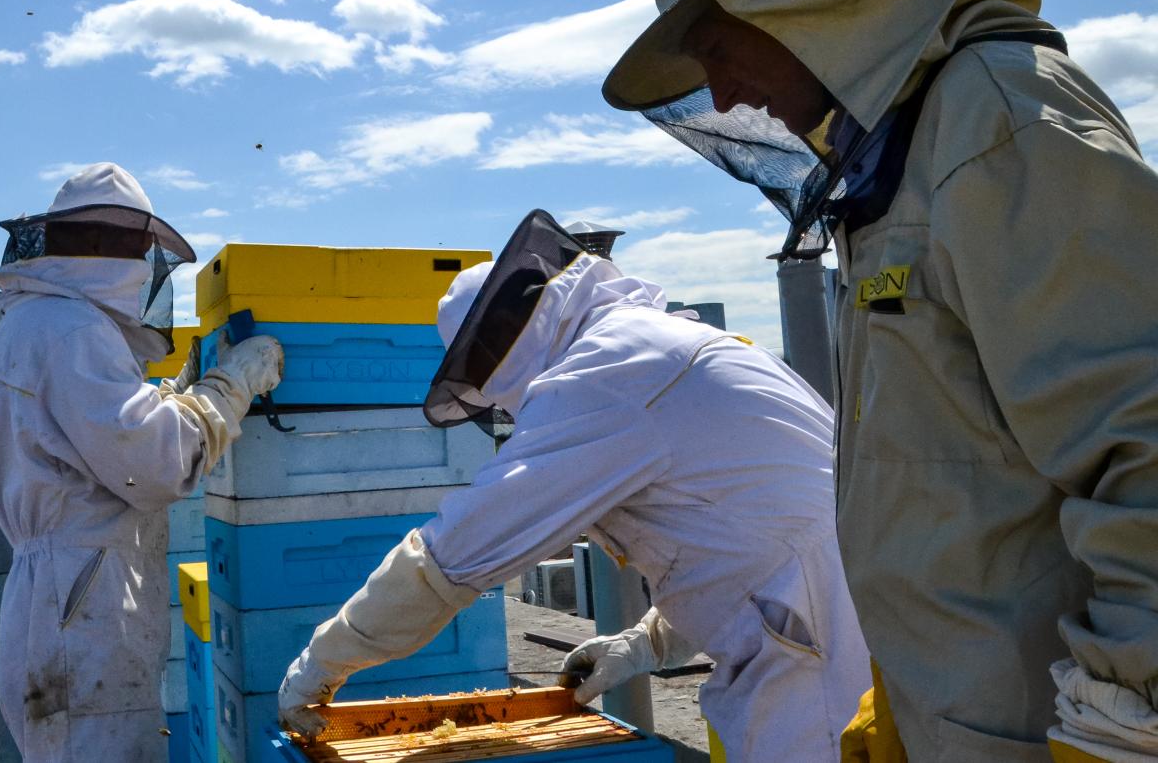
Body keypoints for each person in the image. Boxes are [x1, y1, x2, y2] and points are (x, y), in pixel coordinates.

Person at [602, 0, 1158, 761]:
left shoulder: (998, 119)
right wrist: (900, 702)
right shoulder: (898, 161)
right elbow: (942, 475)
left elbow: (1143, 445)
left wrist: (1122, 725)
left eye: (718, 52)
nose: (730, 95)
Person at [277, 211, 871, 761]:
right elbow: (745, 539)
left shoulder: (605, 376)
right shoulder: (650, 346)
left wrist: (322, 662)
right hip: (847, 617)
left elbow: (452, 557)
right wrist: (646, 644)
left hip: (820, 660)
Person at [0, 163, 284, 763]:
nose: (145, 266)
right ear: (94, 244)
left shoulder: (38, 324)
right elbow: (157, 463)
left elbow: (98, 437)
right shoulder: (70, 330)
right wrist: (231, 388)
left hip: (66, 592)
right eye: (136, 247)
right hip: (81, 605)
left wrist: (176, 395)